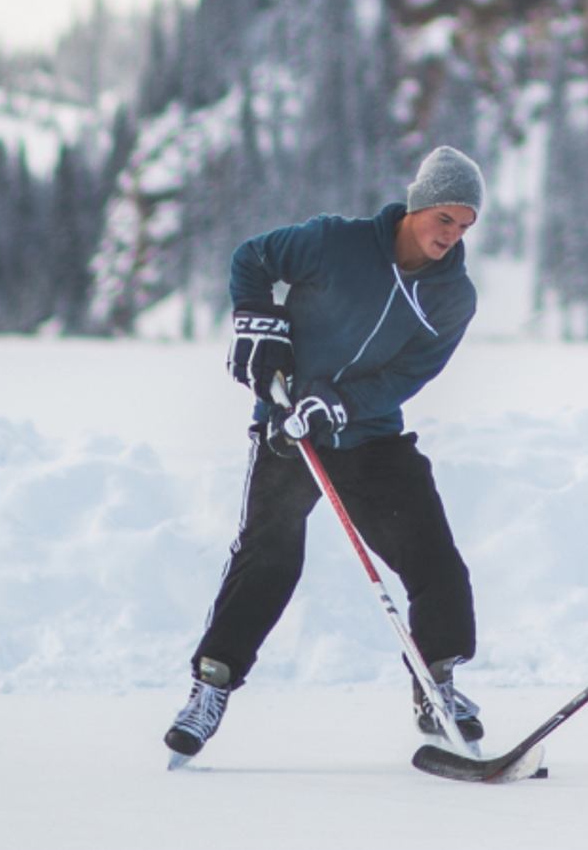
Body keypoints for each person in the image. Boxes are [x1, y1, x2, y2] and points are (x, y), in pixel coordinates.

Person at [164, 145, 487, 765]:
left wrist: (339, 404)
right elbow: (252, 259)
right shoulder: (334, 243)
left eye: (466, 224)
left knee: (433, 561)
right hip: (288, 429)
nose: (453, 235)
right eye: (445, 218)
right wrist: (259, 328)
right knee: (268, 558)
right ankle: (211, 685)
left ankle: (435, 680)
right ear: (418, 204)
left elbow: (410, 373)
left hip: (369, 436)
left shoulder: (453, 296)